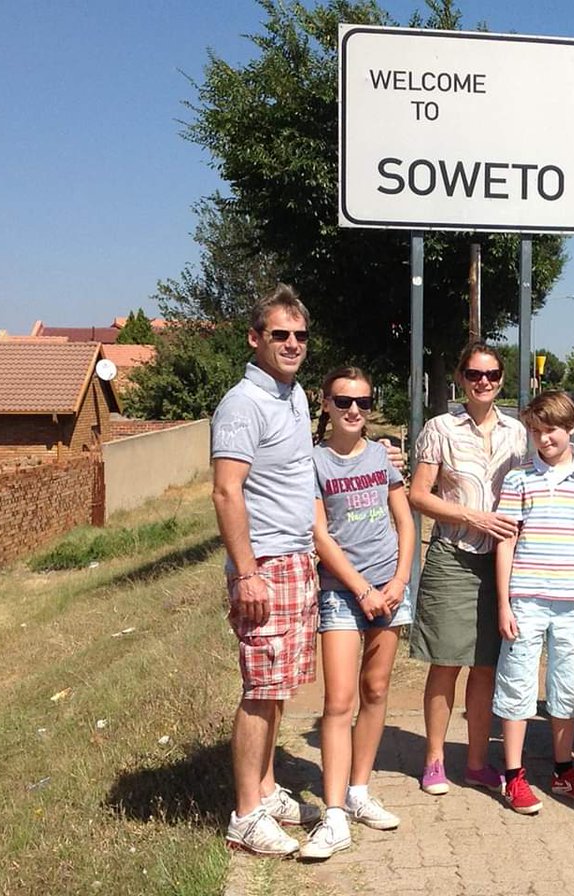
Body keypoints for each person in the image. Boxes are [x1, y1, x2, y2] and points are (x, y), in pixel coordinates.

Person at [211, 284, 321, 856]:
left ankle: (268, 786)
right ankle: (246, 815)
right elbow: (227, 491)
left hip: (296, 556)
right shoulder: (242, 404)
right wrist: (248, 572)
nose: (292, 344)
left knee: (279, 686)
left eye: (300, 335)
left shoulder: (293, 395)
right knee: (260, 688)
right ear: (255, 338)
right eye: (280, 334)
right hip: (265, 565)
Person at [300, 367, 415, 859]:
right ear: (325, 404)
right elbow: (319, 535)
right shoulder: (314, 462)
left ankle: (359, 791)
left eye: (363, 402)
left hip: (389, 589)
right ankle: (332, 815)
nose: (354, 411)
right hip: (343, 593)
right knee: (339, 699)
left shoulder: (381, 456)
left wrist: (397, 581)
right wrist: (362, 588)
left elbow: (405, 521)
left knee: (376, 689)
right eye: (344, 402)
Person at [408, 343, 528, 796]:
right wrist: (472, 518)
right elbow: (418, 494)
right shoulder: (440, 429)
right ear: (461, 377)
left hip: (501, 562)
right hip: (453, 556)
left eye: (492, 374)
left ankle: (477, 761)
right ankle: (434, 759)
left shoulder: (518, 433)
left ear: (501, 377)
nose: (484, 381)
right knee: (446, 662)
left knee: (486, 665)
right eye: (475, 374)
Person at [492, 392, 574, 814]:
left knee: (565, 687)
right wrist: (504, 602)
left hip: (572, 602)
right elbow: (507, 541)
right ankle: (513, 776)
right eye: (535, 431)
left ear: (571, 427)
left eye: (551, 430)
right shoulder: (519, 478)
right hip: (525, 598)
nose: (543, 439)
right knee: (517, 684)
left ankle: (563, 769)